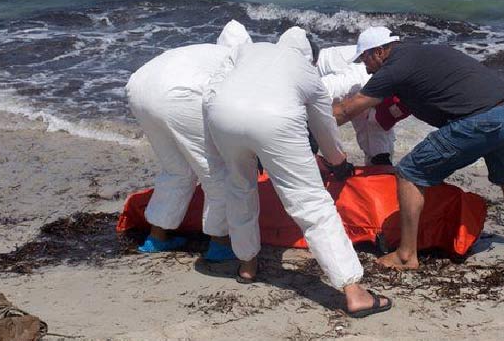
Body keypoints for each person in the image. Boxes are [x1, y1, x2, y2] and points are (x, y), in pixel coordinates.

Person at [203, 26, 392, 317]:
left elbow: (212, 89)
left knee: (239, 189)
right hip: (274, 120)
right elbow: (323, 124)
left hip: (222, 114)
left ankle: (247, 264)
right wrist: (337, 160)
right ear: (309, 57)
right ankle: (354, 292)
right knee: (311, 203)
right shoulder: (305, 69)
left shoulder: (248, 50)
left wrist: (215, 140)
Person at [333, 26, 504, 270]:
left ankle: (406, 255)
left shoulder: (393, 67)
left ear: (379, 51)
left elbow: (346, 111)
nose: (364, 65)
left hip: (482, 120)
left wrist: (307, 124)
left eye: (365, 57)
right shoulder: (424, 52)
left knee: (409, 172)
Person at [125, 20, 251, 259]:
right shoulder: (237, 62)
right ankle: (220, 244)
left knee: (176, 170)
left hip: (139, 87)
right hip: (177, 95)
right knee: (217, 173)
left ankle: (157, 238)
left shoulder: (202, 52)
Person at [317, 45, 395, 165]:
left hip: (360, 69)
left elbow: (378, 123)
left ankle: (379, 164)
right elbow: (311, 100)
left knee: (380, 152)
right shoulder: (354, 80)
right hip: (318, 73)